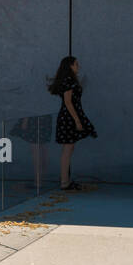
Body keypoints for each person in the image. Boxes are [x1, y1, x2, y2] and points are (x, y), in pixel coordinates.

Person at [49, 56, 96, 190]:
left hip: (68, 116)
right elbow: (68, 102)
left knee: (69, 148)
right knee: (68, 149)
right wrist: (77, 120)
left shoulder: (69, 80)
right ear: (70, 66)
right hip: (68, 118)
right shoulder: (68, 81)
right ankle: (64, 182)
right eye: (76, 64)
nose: (78, 66)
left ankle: (66, 181)